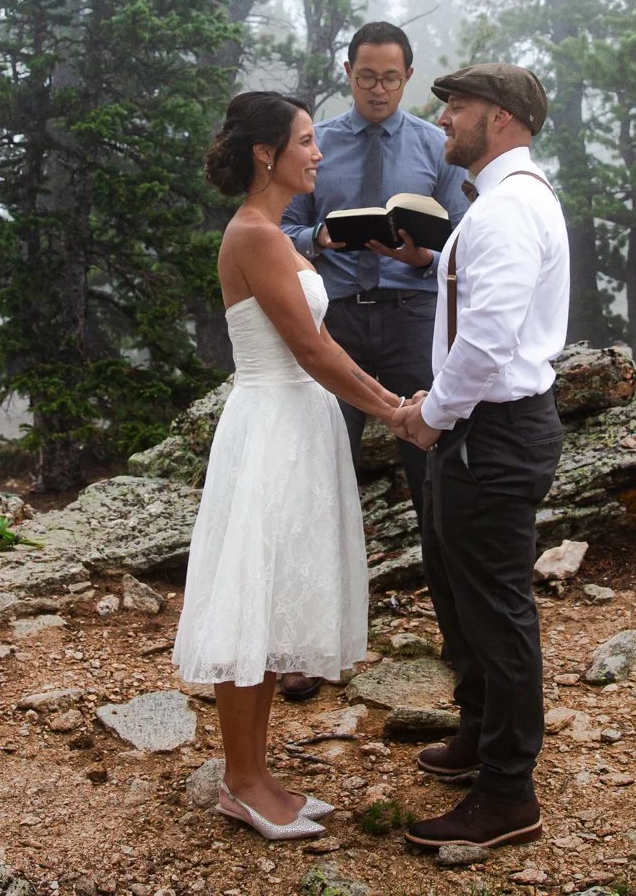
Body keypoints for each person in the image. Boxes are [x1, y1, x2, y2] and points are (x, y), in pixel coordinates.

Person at [174, 91, 406, 842]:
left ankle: (259, 772)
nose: (318, 153)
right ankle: (240, 781)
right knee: (251, 596)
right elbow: (312, 349)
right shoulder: (257, 235)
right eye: (306, 141)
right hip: (272, 424)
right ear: (265, 154)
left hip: (293, 423)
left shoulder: (272, 232)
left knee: (269, 604)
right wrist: (394, 408)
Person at [392, 63, 569, 853]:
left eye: (456, 107)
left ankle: (508, 794)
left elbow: (490, 338)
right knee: (458, 592)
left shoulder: (507, 210)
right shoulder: (504, 203)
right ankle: (477, 733)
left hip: (491, 432)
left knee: (497, 612)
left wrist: (430, 416)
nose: (444, 121)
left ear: (499, 117)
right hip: (485, 430)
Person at [278, 22, 469, 701]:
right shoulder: (317, 142)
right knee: (322, 475)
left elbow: (459, 237)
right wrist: (320, 235)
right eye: (366, 76)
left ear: (408, 76)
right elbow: (280, 225)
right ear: (348, 72)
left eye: (390, 77)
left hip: (414, 318)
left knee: (434, 475)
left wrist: (422, 253)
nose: (378, 88)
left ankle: (459, 633)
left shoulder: (433, 144)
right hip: (339, 317)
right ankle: (306, 646)